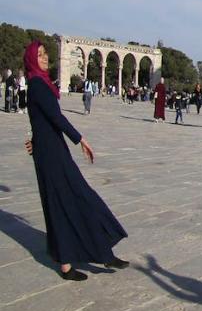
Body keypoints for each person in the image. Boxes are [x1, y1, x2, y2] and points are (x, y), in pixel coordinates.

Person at [21, 41, 128, 280]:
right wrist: (80, 139)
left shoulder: (38, 84)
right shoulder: (38, 85)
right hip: (51, 154)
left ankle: (91, 255)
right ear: (31, 60)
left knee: (66, 201)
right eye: (39, 55)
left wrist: (35, 140)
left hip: (50, 150)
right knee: (75, 198)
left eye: (45, 53)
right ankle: (89, 256)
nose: (45, 57)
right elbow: (55, 117)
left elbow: (40, 119)